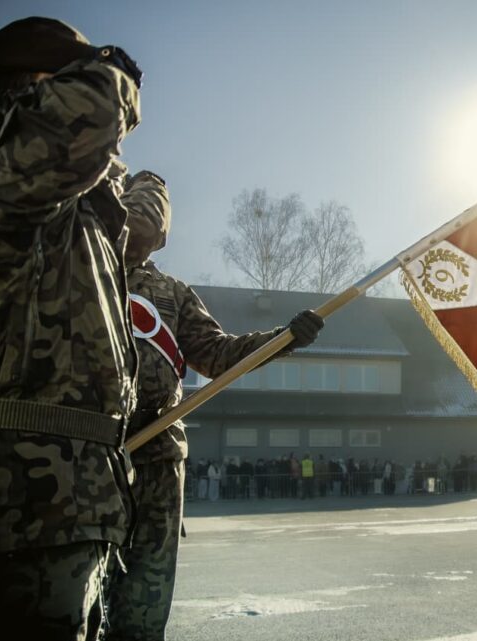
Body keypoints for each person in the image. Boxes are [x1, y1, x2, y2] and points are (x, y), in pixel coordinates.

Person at [0, 17, 144, 639]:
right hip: (21, 508)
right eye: (69, 77)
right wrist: (112, 73)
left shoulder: (60, 214)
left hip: (69, 505)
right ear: (31, 94)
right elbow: (96, 110)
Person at [106, 177, 324, 639]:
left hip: (157, 456)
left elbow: (218, 354)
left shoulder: (172, 293)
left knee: (146, 591)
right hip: (87, 451)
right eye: (134, 214)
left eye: (153, 221)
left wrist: (283, 339)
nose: (142, 229)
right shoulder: (83, 272)